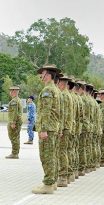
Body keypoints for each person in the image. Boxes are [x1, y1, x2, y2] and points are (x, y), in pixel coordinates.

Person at [32, 64, 61, 194]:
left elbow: (46, 111)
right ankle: (53, 181)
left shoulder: (47, 90)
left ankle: (48, 184)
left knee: (47, 156)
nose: (40, 76)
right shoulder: (56, 90)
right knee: (53, 155)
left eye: (42, 73)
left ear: (48, 75)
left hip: (47, 128)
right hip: (53, 127)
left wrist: (43, 129)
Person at [5, 86, 23, 159]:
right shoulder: (18, 100)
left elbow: (14, 113)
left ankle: (14, 153)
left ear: (14, 92)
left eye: (11, 91)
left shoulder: (14, 101)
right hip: (17, 122)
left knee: (14, 137)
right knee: (16, 137)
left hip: (14, 122)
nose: (10, 92)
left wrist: (13, 122)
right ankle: (15, 152)